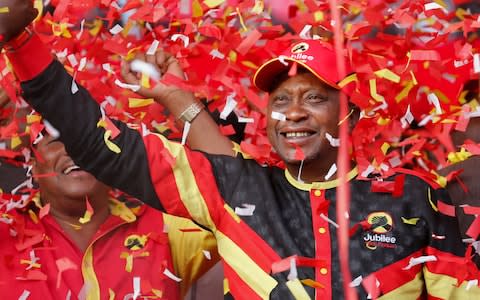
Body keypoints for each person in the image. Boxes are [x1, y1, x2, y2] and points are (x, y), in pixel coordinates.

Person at [1, 2, 479, 299]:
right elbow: (102, 145)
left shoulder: (415, 200)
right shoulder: (237, 189)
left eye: (314, 98)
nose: (292, 114)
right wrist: (23, 43)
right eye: (280, 101)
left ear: (349, 114)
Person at [0, 130, 219, 299]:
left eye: (87, 136)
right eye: (55, 139)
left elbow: (230, 196)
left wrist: (180, 102)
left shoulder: (164, 227)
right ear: (33, 167)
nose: (75, 149)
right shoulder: (6, 229)